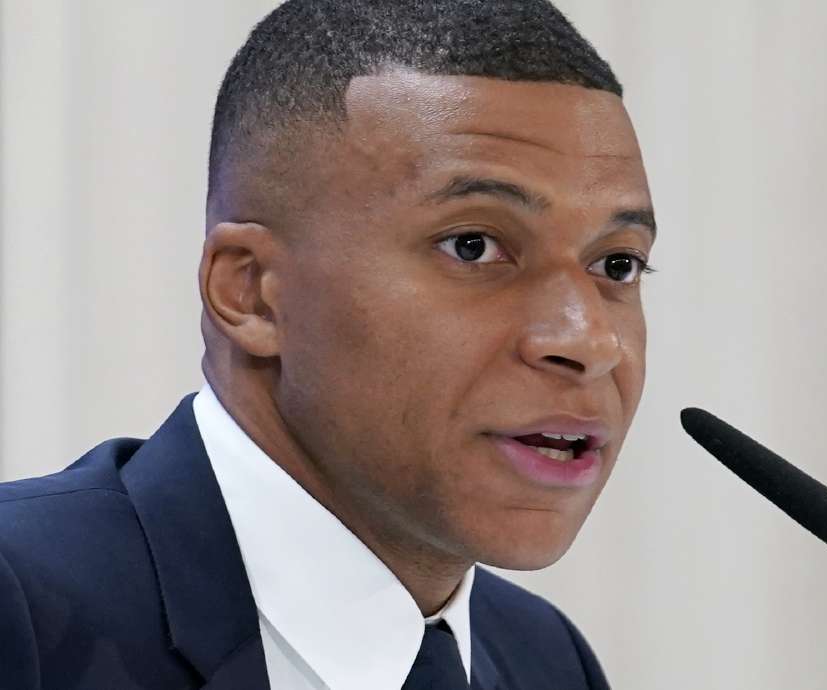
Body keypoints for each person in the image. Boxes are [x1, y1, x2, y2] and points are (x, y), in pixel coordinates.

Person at [0, 1, 655, 688]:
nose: (589, 340)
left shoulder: (545, 661)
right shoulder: (24, 610)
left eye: (617, 265)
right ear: (250, 293)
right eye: (474, 246)